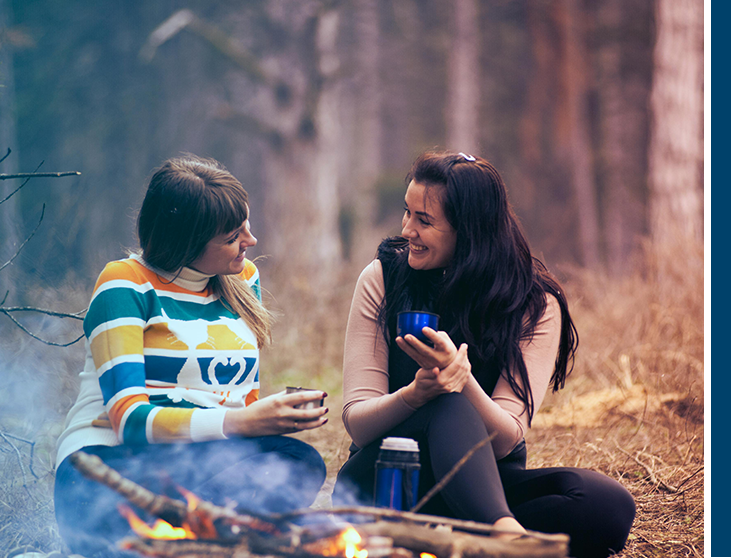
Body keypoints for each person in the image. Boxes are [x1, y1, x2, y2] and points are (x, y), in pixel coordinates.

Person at [332, 151, 635, 558]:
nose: (407, 229)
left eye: (424, 220)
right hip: (387, 482)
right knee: (444, 405)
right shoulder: (382, 279)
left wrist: (464, 381)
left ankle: (471, 538)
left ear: (469, 230)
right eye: (407, 213)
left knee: (606, 504)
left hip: (482, 485)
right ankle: (503, 536)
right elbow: (359, 424)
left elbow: (507, 437)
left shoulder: (535, 303)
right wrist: (415, 395)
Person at [54, 155, 328, 558]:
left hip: (195, 466)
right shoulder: (125, 283)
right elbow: (129, 421)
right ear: (187, 241)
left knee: (298, 460)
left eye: (246, 227)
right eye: (234, 236)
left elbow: (240, 398)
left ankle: (198, 539)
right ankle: (207, 536)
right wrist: (242, 422)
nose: (250, 242)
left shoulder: (241, 278)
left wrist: (267, 420)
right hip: (109, 468)